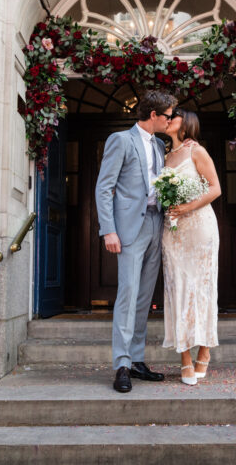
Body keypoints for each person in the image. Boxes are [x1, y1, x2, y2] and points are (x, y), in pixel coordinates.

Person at [95, 90, 177, 393]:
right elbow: (104, 188)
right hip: (129, 229)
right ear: (153, 115)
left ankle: (138, 358)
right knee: (128, 296)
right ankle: (122, 364)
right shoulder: (120, 140)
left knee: (144, 297)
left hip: (157, 223)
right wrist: (109, 230)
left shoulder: (158, 144)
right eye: (167, 116)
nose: (170, 121)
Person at [161, 109, 222, 385]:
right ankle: (184, 357)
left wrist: (186, 207)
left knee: (202, 288)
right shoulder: (163, 154)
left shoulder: (196, 151)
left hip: (199, 227)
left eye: (172, 117)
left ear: (185, 124)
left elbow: (214, 188)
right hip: (173, 231)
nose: (167, 119)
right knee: (177, 289)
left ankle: (205, 350)